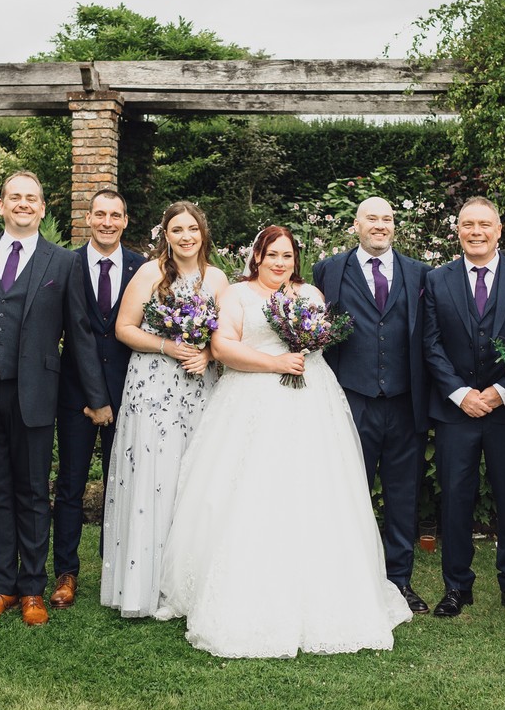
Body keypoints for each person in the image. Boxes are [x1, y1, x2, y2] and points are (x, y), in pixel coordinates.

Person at [156, 226, 411, 657]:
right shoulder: (237, 295)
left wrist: (300, 355)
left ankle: (325, 591)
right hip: (249, 402)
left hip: (311, 402)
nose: (279, 263)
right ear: (256, 257)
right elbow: (221, 347)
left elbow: (318, 345)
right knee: (249, 491)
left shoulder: (308, 294)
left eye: (287, 256)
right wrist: (275, 362)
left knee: (315, 491)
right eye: (272, 254)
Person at [0, 171, 111, 628]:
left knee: (33, 493)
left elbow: (80, 332)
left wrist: (97, 396)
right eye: (15, 197)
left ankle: (33, 589)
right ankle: (3, 588)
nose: (23, 204)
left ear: (43, 207)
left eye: (31, 198)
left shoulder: (63, 262)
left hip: (34, 394)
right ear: (1, 205)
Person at [99, 201, 226, 617]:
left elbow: (229, 336)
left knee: (194, 480)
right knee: (156, 479)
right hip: (153, 387)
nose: (186, 236)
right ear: (165, 236)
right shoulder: (151, 273)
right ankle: (145, 587)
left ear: (202, 233)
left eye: (192, 228)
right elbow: (124, 328)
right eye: (177, 230)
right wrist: (167, 345)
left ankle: (191, 585)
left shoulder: (218, 279)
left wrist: (207, 353)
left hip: (200, 387)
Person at [422, 196, 505, 618]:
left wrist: (502, 391)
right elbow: (431, 343)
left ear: (499, 231)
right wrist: (460, 394)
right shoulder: (437, 279)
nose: (476, 232)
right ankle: (457, 587)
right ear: (458, 231)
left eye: (484, 225)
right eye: (467, 224)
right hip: (456, 412)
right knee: (455, 499)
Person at [311, 196, 432, 614]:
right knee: (346, 494)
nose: (380, 225)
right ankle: (347, 581)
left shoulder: (420, 273)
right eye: (372, 219)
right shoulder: (329, 270)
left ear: (394, 226)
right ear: (356, 225)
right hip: (351, 400)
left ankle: (399, 582)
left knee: (403, 497)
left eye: (387, 219)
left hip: (404, 402)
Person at [51, 189, 145, 610]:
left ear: (126, 221)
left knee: (121, 485)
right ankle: (66, 573)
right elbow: (73, 331)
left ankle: (115, 569)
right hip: (76, 395)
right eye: (100, 214)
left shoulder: (142, 267)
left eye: (116, 215)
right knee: (70, 485)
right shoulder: (65, 264)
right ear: (88, 219)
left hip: (129, 392)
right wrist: (94, 396)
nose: (108, 222)